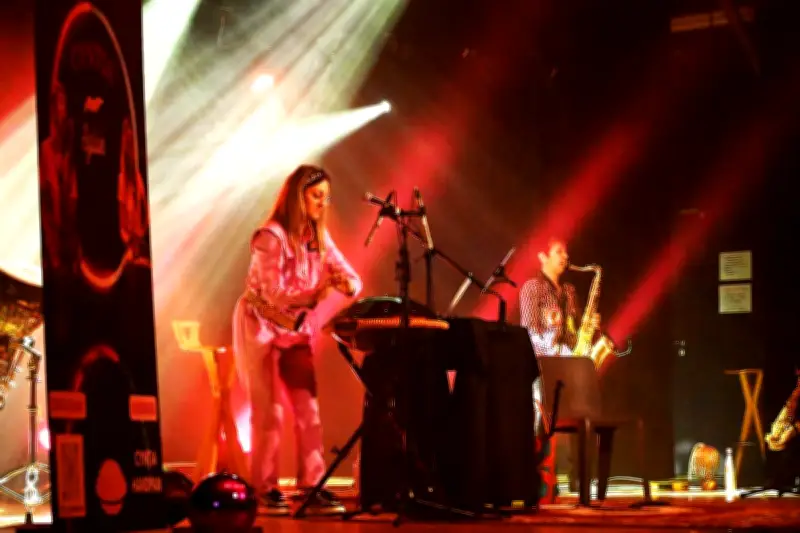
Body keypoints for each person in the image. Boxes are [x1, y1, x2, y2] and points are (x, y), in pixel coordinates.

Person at [232, 165, 362, 515]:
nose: (323, 203)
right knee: (269, 411)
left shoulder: (319, 237)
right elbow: (272, 294)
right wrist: (315, 294)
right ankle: (264, 487)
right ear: (297, 197)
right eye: (316, 196)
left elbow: (351, 278)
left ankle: (312, 485)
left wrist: (340, 289)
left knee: (309, 411)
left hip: (295, 330)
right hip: (259, 325)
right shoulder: (270, 237)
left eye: (326, 197)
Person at [519, 237, 599, 494]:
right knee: (540, 426)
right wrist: (555, 352)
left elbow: (572, 334)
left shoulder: (569, 292)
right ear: (543, 256)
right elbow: (530, 332)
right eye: (559, 252)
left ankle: (576, 479)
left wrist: (587, 330)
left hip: (566, 366)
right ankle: (538, 483)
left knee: (577, 419)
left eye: (566, 252)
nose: (565, 257)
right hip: (542, 366)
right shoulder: (532, 288)